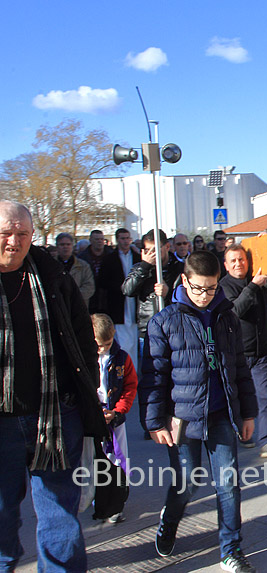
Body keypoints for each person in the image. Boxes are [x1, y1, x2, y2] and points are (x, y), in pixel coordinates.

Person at [0, 201, 107, 571]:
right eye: (5, 233)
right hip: (3, 422)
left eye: (23, 234)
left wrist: (87, 387)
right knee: (0, 511)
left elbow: (81, 331)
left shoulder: (51, 275)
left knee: (60, 511)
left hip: (56, 414)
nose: (14, 241)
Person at [138, 250, 257, 572]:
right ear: (184, 281)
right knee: (186, 483)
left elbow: (240, 368)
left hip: (221, 416)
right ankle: (169, 520)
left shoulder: (227, 316)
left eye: (212, 288)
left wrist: (248, 413)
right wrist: (154, 422)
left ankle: (231, 550)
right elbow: (153, 377)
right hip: (182, 420)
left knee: (228, 484)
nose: (205, 296)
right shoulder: (164, 322)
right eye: (198, 288)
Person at [220, 244, 267, 458]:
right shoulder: (224, 287)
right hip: (238, 354)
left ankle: (266, 441)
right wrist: (254, 286)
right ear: (226, 266)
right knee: (238, 397)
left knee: (264, 397)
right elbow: (235, 312)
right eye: (234, 261)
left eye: (242, 259)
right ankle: (243, 435)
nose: (239, 264)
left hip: (262, 352)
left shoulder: (259, 279)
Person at [91, 313, 138, 523]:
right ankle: (98, 499)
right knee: (95, 460)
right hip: (93, 417)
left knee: (118, 459)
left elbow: (130, 386)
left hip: (115, 417)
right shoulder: (86, 356)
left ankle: (118, 501)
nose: (102, 349)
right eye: (99, 345)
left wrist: (119, 411)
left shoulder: (122, 358)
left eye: (107, 344)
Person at [122, 228, 184, 348]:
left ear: (166, 246)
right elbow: (128, 290)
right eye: (147, 250)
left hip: (176, 326)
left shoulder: (180, 268)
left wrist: (169, 293)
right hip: (149, 328)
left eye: (156, 249)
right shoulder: (140, 269)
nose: (152, 254)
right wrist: (145, 266)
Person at [98, 228, 142, 370]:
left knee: (134, 345)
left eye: (127, 238)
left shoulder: (137, 257)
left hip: (134, 307)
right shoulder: (109, 259)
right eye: (122, 238)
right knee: (122, 344)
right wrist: (120, 286)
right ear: (117, 240)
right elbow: (103, 281)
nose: (125, 241)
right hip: (118, 307)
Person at [77, 229, 114, 312]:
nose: (100, 241)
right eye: (97, 239)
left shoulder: (112, 255)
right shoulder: (82, 258)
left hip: (107, 297)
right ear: (91, 241)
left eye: (101, 239)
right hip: (90, 298)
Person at [55, 232, 95, 305]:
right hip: (58, 305)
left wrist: (72, 296)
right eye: (62, 244)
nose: (65, 247)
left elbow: (89, 287)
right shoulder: (51, 265)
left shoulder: (83, 266)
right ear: (57, 246)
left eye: (68, 244)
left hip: (79, 305)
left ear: (72, 246)